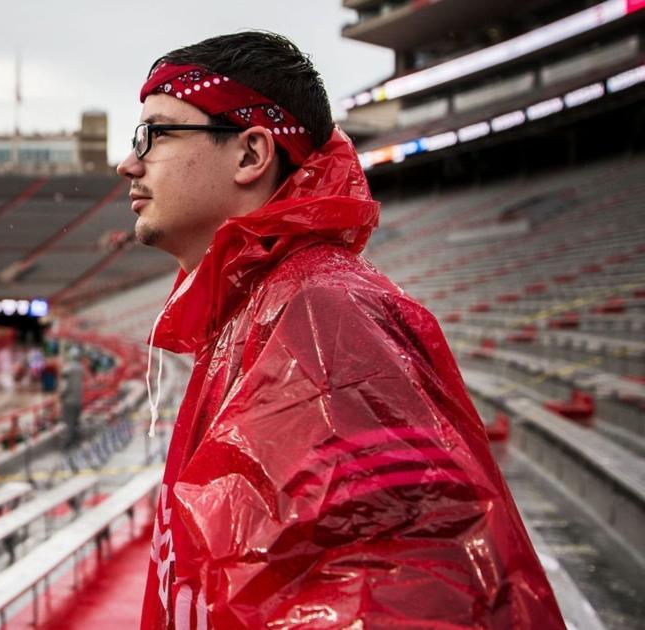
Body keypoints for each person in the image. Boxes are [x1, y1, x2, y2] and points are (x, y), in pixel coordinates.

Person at [117, 31, 564, 629]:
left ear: (251, 155)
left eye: (156, 134)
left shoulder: (323, 315)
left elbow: (408, 596)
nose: (128, 162)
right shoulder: (264, 305)